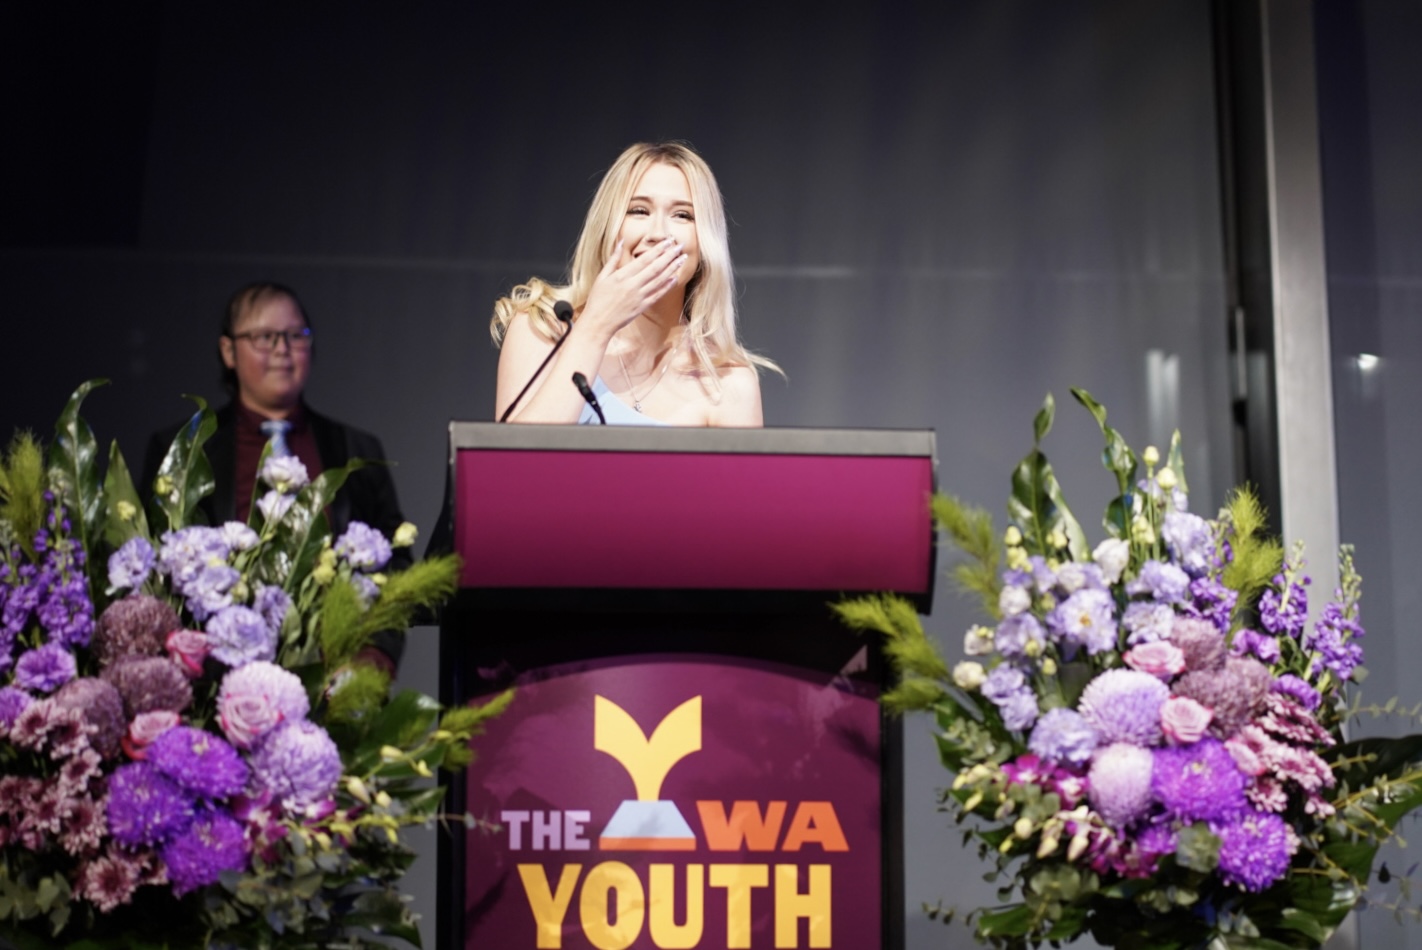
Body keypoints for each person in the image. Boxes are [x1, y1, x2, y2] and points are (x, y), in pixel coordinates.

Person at [141, 281, 409, 673]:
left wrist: (373, 657)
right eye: (265, 337)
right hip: (213, 672)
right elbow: (154, 566)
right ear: (228, 351)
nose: (282, 350)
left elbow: (397, 566)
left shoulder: (356, 449)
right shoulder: (182, 450)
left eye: (295, 336)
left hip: (333, 670)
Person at [491, 141, 779, 426]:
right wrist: (596, 327)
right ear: (608, 227)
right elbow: (515, 464)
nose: (658, 234)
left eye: (682, 215)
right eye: (639, 211)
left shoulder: (728, 383)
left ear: (705, 244)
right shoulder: (543, 327)